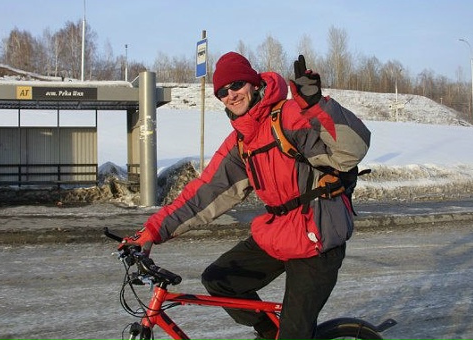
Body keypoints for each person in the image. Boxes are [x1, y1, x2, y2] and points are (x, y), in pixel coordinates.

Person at [120, 52, 371, 340]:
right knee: (219, 280)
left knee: (295, 334)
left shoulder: (290, 115)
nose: (231, 95)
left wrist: (316, 105)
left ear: (254, 83)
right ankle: (270, 333)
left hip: (319, 238)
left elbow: (352, 150)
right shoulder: (242, 142)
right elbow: (205, 193)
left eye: (237, 85)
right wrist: (153, 230)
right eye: (222, 92)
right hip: (280, 232)